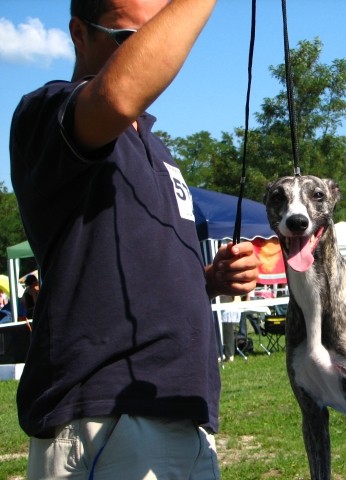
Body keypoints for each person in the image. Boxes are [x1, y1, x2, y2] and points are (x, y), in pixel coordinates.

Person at [9, 0, 259, 478]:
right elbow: (116, 98)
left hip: (175, 413)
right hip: (108, 416)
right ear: (79, 33)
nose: (149, 48)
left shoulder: (157, 148)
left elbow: (118, 263)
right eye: (131, 38)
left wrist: (207, 280)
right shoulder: (47, 110)